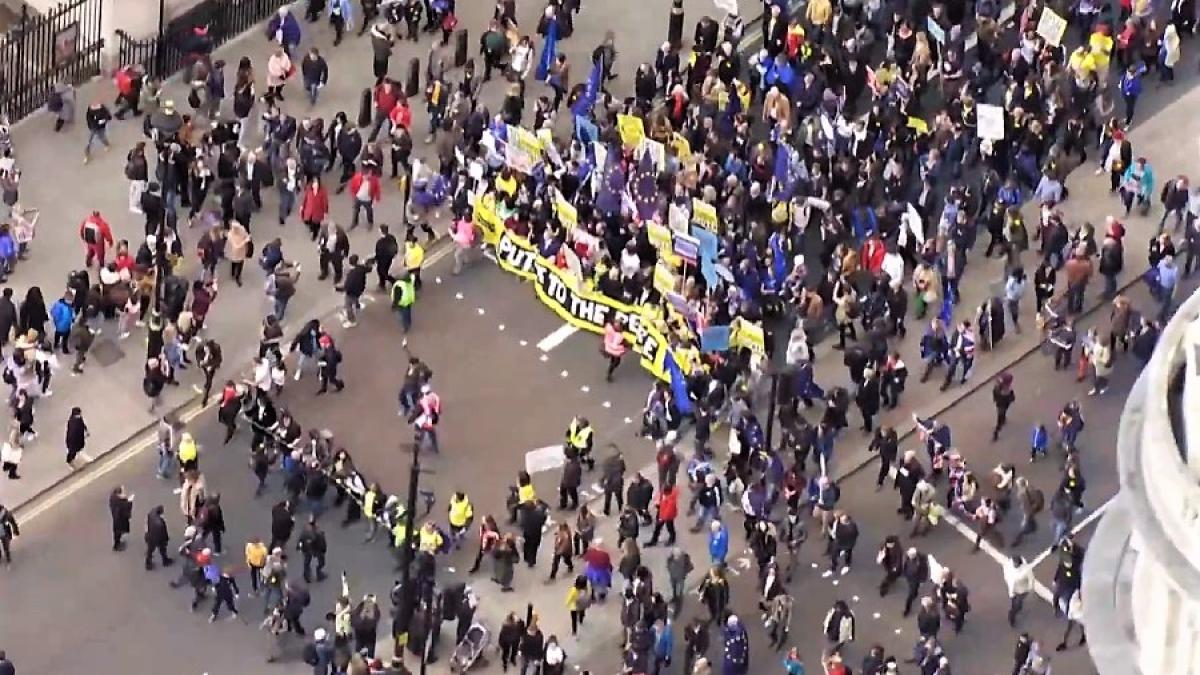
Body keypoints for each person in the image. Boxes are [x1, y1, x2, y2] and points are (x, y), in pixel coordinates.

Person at [109, 485, 134, 551]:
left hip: (116, 519)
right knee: (118, 532)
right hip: (120, 520)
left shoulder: (113, 498)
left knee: (117, 532)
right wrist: (129, 501)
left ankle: (117, 543)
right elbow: (126, 508)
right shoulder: (120, 502)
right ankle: (116, 546)